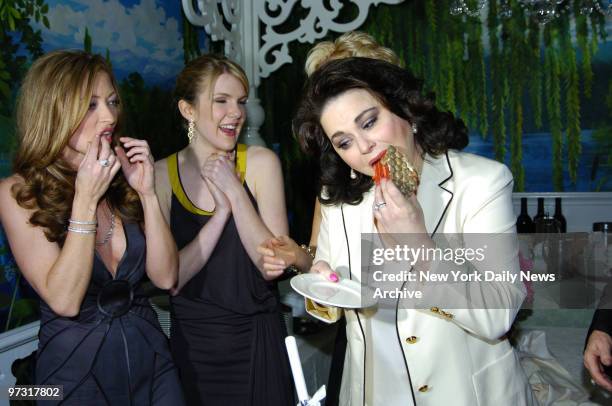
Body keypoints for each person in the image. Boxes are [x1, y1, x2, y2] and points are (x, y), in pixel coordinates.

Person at [292, 57, 536, 405]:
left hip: (467, 393)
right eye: (343, 142)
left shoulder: (481, 184)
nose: (363, 148)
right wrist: (322, 284)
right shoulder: (340, 199)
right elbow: (332, 287)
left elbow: (497, 314)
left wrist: (418, 244)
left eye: (370, 122)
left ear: (406, 110)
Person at [0, 50, 184, 404]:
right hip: (73, 376)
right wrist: (85, 199)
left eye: (112, 102)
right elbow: (64, 301)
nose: (110, 115)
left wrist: (147, 193)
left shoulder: (121, 178)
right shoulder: (18, 192)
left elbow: (166, 278)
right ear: (54, 110)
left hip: (153, 361)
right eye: (91, 105)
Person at [154, 55, 294, 405]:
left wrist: (233, 190)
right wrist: (219, 215)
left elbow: (273, 263)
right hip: (193, 348)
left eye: (241, 102)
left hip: (257, 342)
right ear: (188, 110)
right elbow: (170, 278)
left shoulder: (261, 164)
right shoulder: (158, 175)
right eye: (221, 101)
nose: (236, 112)